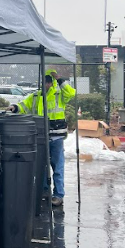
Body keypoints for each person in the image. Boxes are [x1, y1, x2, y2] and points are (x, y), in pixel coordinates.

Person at [8, 69, 76, 207]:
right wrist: (14, 107)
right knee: (42, 166)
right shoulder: (35, 96)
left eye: (48, 82)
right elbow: (23, 106)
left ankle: (58, 195)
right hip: (40, 137)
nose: (46, 85)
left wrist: (60, 79)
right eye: (44, 82)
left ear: (52, 83)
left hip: (56, 137)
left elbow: (71, 93)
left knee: (57, 167)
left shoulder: (59, 95)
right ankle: (45, 191)